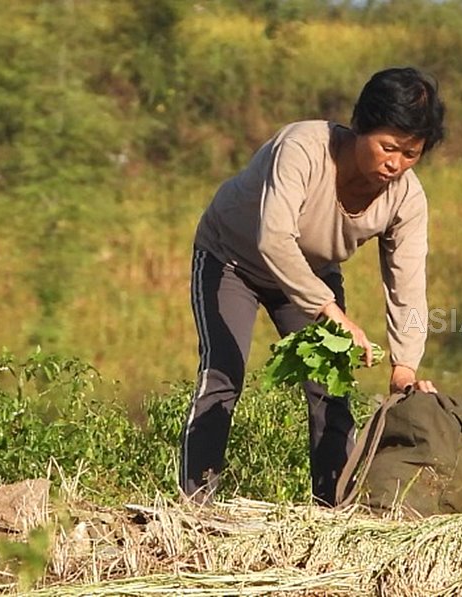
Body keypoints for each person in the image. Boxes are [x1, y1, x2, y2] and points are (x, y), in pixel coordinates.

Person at [181, 66, 446, 506]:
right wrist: (331, 313)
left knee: (331, 388)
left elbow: (409, 288)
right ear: (361, 126)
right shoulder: (303, 147)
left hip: (312, 273)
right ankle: (195, 507)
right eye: (388, 147)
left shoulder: (407, 199)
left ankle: (334, 509)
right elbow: (273, 239)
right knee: (223, 372)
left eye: (411, 154)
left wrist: (405, 365)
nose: (395, 164)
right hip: (231, 259)